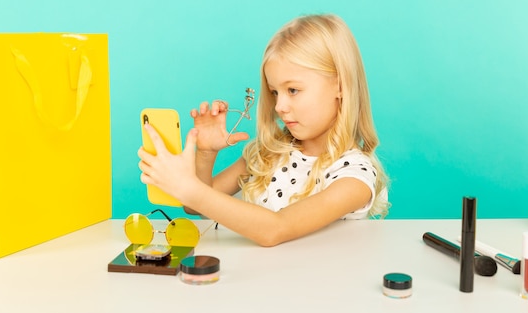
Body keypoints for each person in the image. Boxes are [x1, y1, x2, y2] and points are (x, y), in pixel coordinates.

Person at [138, 14, 389, 246]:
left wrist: (188, 188)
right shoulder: (268, 154)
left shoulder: (355, 176)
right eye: (274, 92)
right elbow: (197, 207)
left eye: (293, 90)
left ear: (340, 85)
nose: (279, 106)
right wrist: (205, 153)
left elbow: (275, 229)